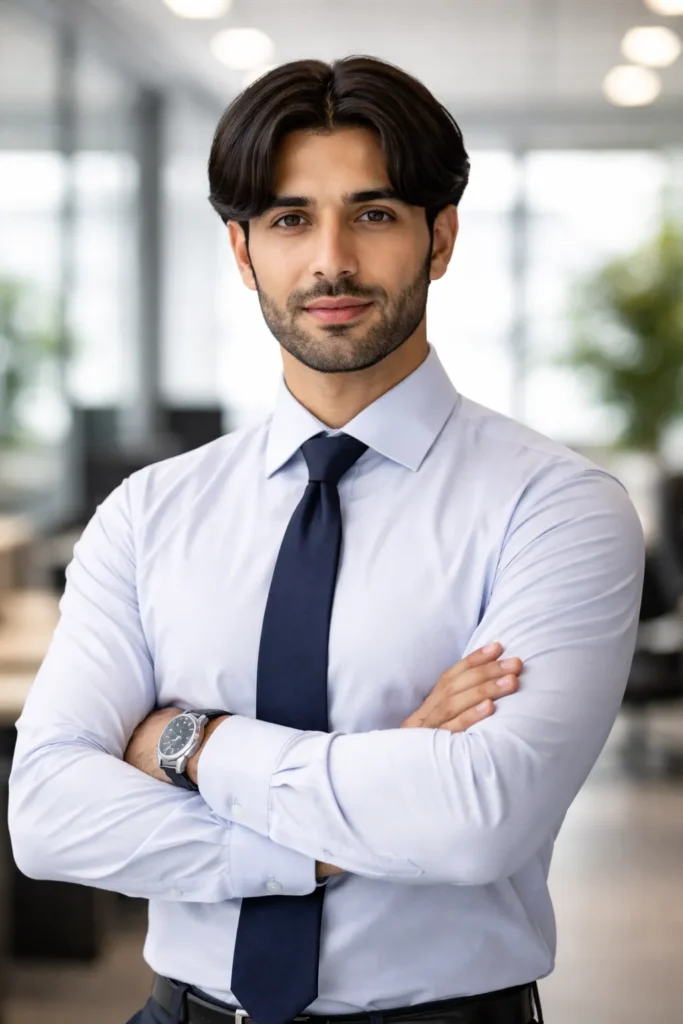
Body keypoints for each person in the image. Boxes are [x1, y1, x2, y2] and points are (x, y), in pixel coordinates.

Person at [8, 55, 644, 1024]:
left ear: (440, 238)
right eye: (290, 218)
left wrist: (185, 742)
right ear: (241, 249)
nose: (331, 261)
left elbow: (475, 820)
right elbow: (50, 817)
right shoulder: (150, 511)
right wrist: (372, 789)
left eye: (374, 214)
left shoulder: (553, 506)